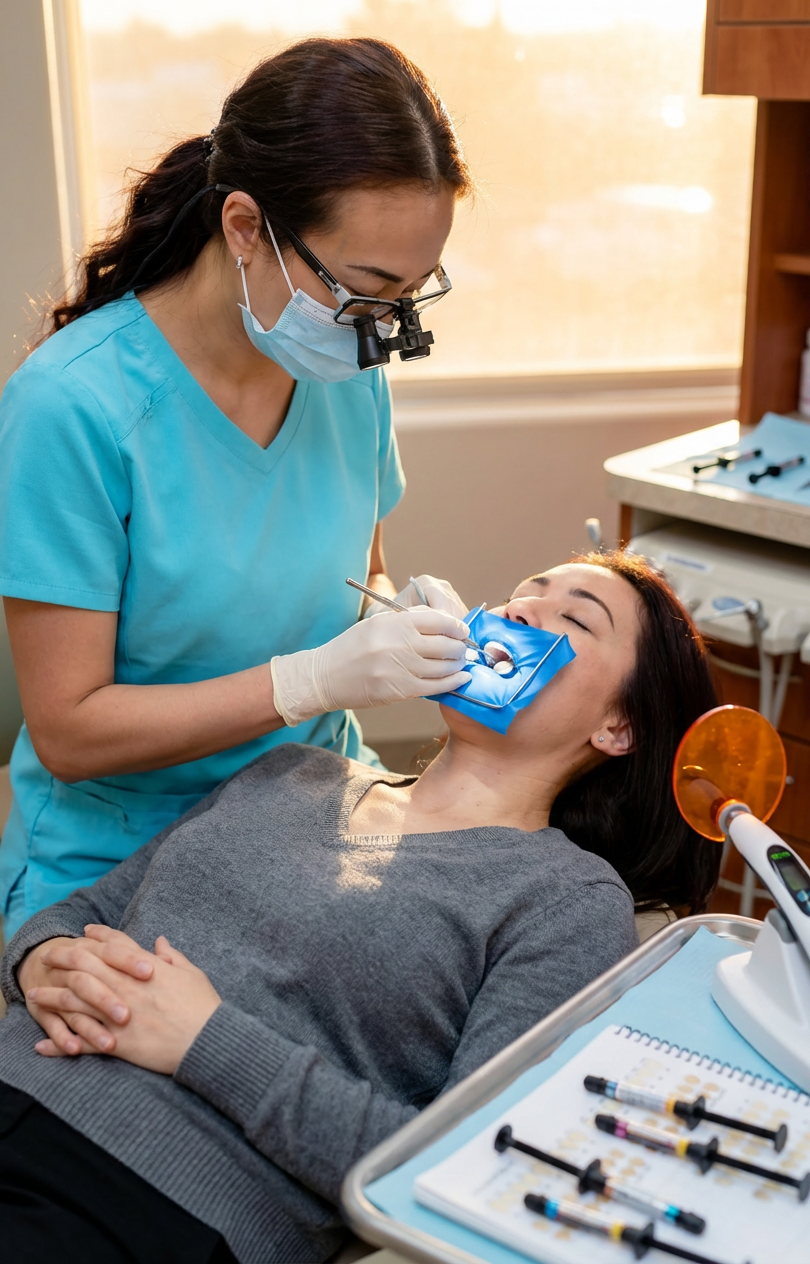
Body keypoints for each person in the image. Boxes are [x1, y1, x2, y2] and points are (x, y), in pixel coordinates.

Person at [0, 553, 719, 1263]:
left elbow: (458, 1163)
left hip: (148, 1202)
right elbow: (85, 910)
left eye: (573, 619)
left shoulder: (567, 901)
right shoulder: (291, 769)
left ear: (618, 727)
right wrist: (35, 960)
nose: (518, 611)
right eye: (518, 593)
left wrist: (206, 1041)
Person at [0, 37, 476, 940]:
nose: (381, 332)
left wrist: (391, 617)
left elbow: (353, 579)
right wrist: (307, 681)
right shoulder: (74, 409)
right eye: (365, 290)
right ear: (247, 227)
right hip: (123, 862)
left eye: (409, 296)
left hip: (313, 813)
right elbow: (69, 732)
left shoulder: (346, 369)